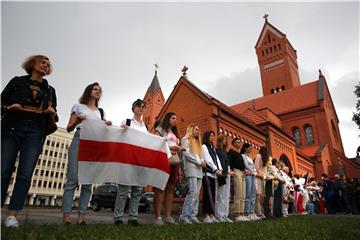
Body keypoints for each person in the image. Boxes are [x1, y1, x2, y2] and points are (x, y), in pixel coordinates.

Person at [1, 55, 58, 227]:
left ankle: (12, 215)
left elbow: (55, 113)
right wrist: (9, 107)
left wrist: (51, 111)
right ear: (32, 64)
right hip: (13, 127)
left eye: (48, 65)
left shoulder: (50, 90)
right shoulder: (17, 82)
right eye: (43, 62)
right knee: (3, 170)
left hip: (35, 131)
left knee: (25, 174)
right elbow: (1, 102)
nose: (46, 66)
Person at [61, 82, 112, 224]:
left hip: (94, 144)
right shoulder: (78, 107)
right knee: (72, 179)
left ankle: (81, 217)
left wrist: (106, 125)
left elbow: (102, 130)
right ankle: (66, 217)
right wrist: (78, 120)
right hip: (79, 140)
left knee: (88, 182)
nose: (98, 91)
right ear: (89, 91)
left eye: (100, 90)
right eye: (95, 89)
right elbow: (69, 128)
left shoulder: (100, 112)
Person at [113, 99, 148, 226]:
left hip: (140, 161)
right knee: (123, 190)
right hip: (127, 160)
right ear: (133, 108)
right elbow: (120, 135)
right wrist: (122, 129)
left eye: (143, 106)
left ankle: (133, 218)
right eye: (139, 106)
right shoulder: (127, 122)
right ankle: (118, 218)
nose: (141, 108)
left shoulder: (145, 126)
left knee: (137, 190)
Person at [153, 112, 181, 225]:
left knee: (170, 188)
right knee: (160, 187)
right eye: (173, 118)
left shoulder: (174, 133)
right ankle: (158, 217)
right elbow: (155, 142)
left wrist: (180, 148)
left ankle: (168, 216)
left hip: (174, 160)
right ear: (167, 119)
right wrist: (170, 147)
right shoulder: (160, 129)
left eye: (176, 118)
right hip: (163, 159)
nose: (175, 120)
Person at [179, 124, 206, 224]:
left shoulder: (197, 142)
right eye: (196, 130)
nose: (198, 132)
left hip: (199, 169)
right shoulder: (185, 139)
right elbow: (187, 154)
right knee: (192, 192)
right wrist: (199, 162)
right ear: (191, 130)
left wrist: (202, 161)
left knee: (197, 193)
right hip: (191, 168)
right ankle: (184, 216)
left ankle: (193, 215)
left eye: (199, 130)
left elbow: (200, 155)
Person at [201, 131, 222, 223]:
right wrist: (215, 169)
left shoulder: (212, 147)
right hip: (208, 173)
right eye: (211, 135)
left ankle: (211, 214)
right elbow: (207, 159)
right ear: (207, 137)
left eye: (214, 135)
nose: (213, 137)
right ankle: (206, 215)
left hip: (214, 175)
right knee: (207, 194)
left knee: (212, 194)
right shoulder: (204, 147)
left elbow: (217, 159)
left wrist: (220, 169)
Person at [215, 134, 235, 222]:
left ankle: (225, 215)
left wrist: (230, 171)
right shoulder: (217, 151)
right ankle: (219, 215)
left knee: (227, 195)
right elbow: (217, 163)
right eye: (223, 139)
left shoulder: (225, 151)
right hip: (221, 174)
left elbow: (227, 164)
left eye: (225, 139)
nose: (225, 141)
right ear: (219, 140)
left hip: (227, 174)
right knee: (221, 195)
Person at [228, 138, 248, 221]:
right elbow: (230, 163)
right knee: (238, 193)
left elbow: (242, 164)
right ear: (233, 143)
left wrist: (245, 170)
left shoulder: (239, 154)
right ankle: (237, 214)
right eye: (238, 142)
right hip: (236, 172)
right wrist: (232, 171)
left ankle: (242, 213)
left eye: (240, 142)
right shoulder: (231, 152)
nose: (240, 143)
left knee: (243, 194)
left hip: (243, 172)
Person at [242, 143, 260, 221]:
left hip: (252, 175)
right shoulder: (243, 156)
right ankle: (247, 212)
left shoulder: (249, 157)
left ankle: (252, 212)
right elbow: (246, 165)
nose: (250, 149)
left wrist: (254, 172)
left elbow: (252, 167)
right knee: (248, 193)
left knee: (253, 194)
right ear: (245, 148)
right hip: (248, 176)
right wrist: (253, 172)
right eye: (249, 148)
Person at [254, 146, 268, 219]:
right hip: (257, 177)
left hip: (262, 178)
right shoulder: (259, 156)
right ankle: (258, 213)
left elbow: (265, 171)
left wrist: (264, 176)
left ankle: (261, 212)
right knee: (257, 195)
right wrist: (261, 175)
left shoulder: (265, 160)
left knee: (261, 196)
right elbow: (256, 167)